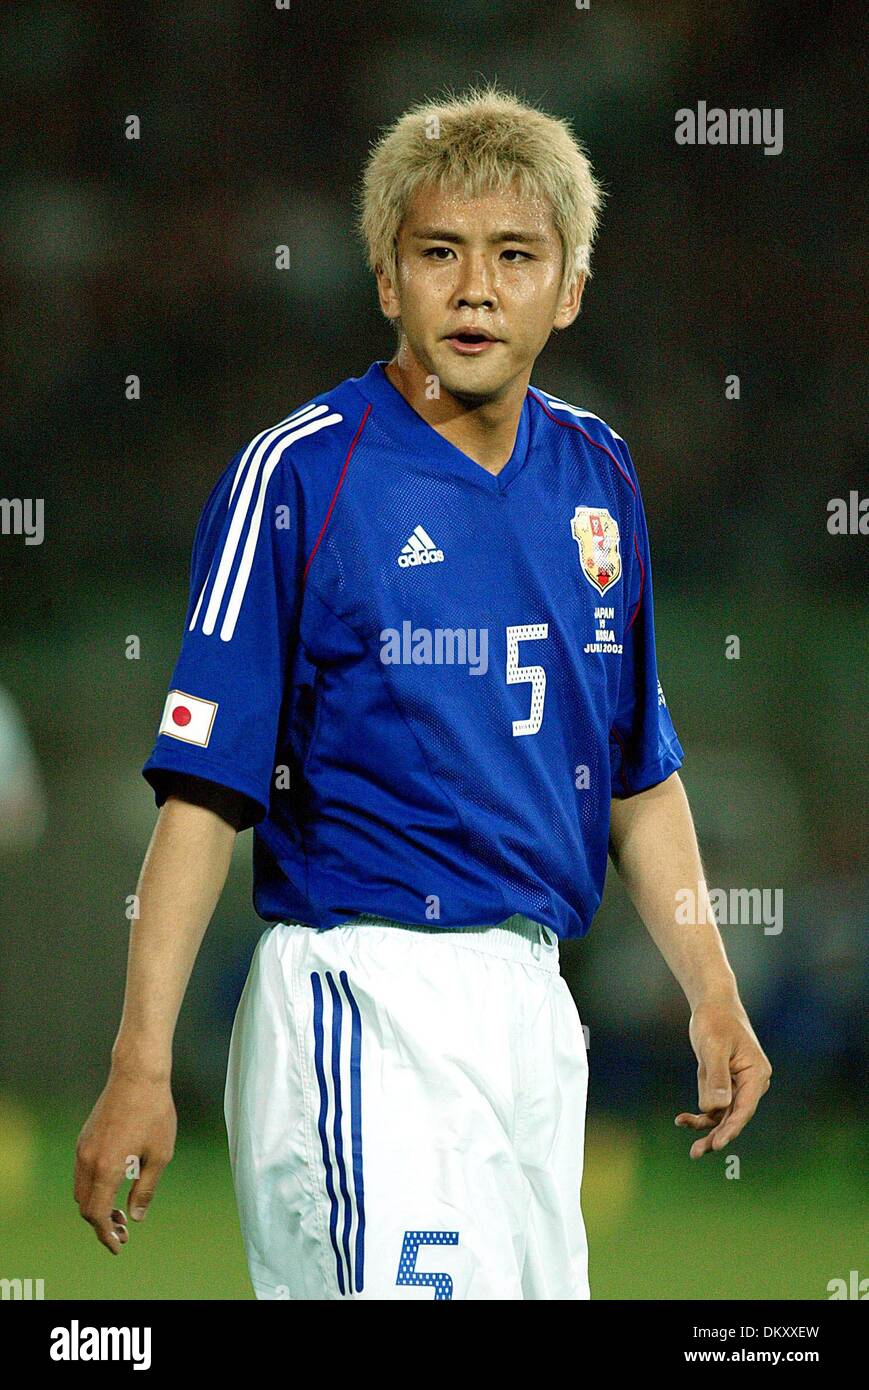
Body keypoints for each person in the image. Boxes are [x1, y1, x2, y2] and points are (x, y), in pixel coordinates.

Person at [74, 82, 771, 1300]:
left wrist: (712, 990)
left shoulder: (597, 476)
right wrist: (140, 1059)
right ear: (386, 280)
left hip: (533, 1009)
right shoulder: (298, 475)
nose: (475, 287)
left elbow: (634, 774)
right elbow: (202, 795)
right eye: (437, 252)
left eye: (515, 255)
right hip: (365, 995)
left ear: (570, 287)